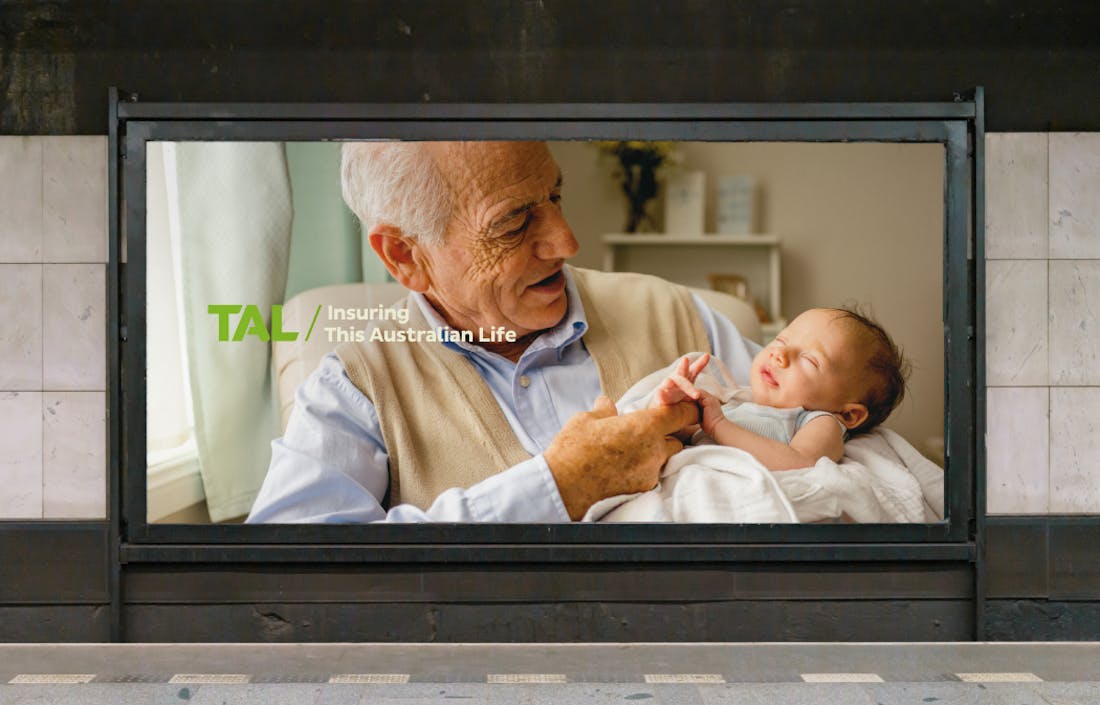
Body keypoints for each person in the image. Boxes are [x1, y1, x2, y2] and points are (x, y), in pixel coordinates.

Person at [246, 140, 762, 523]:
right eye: (514, 223)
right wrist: (558, 488)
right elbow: (291, 572)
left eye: (555, 196)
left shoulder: (673, 312)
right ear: (405, 256)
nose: (566, 241)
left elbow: (830, 429)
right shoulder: (356, 388)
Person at [649, 307, 910, 471]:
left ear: (849, 415)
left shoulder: (819, 422)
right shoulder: (735, 402)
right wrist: (670, 409)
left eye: (810, 359)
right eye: (781, 339)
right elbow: (681, 436)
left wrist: (719, 425)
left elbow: (800, 462)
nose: (779, 354)